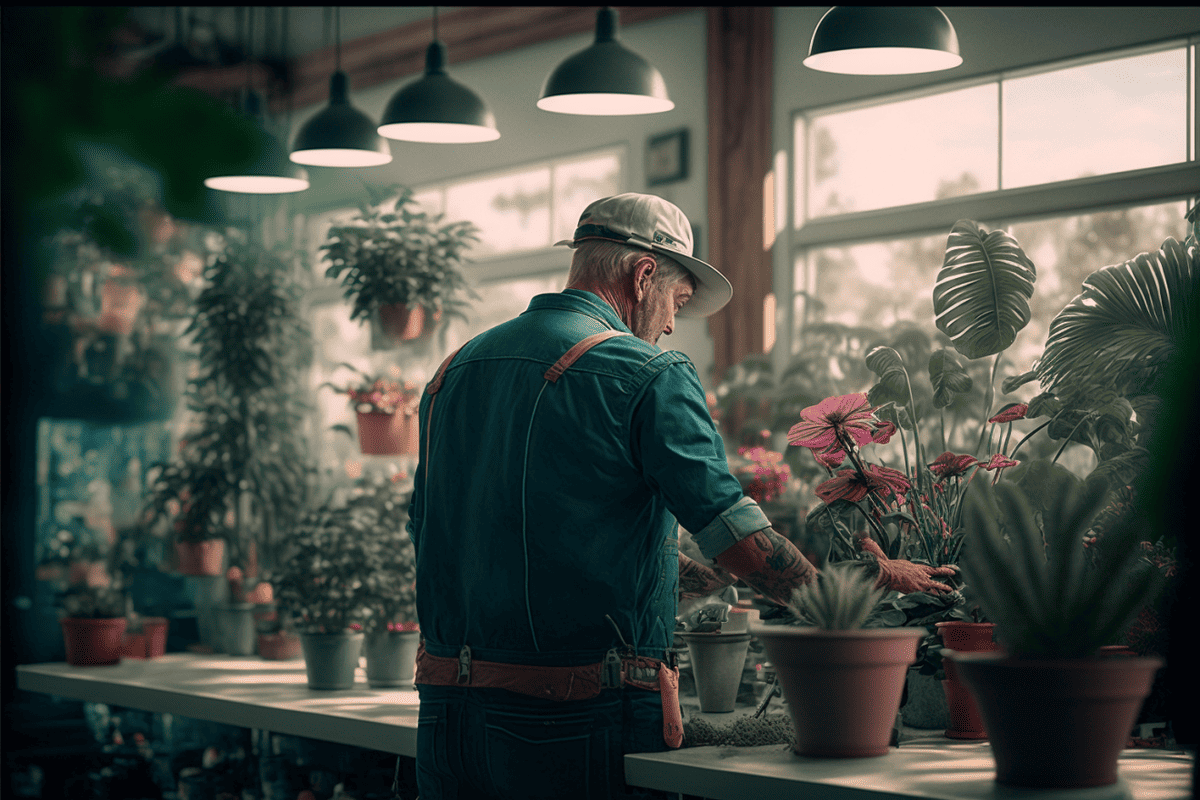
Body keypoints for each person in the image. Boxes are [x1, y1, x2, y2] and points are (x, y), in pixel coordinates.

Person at [405, 193, 954, 800]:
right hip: (576, 721)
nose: (669, 324)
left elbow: (445, 534)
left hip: (445, 719)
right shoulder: (645, 372)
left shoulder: (449, 374)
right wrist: (848, 593)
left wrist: (706, 579)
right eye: (676, 302)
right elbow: (740, 540)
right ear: (643, 276)